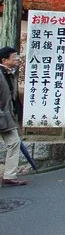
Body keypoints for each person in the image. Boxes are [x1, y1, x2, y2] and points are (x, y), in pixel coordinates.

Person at [0, 47, 26, 186]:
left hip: (6, 116)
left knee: (14, 142)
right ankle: (9, 175)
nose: (16, 59)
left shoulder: (10, 73)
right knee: (14, 142)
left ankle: (9, 175)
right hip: (2, 116)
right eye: (14, 57)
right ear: (4, 60)